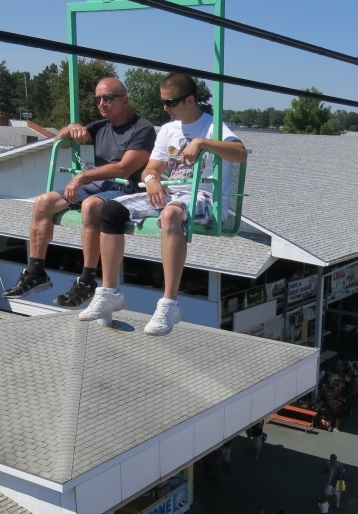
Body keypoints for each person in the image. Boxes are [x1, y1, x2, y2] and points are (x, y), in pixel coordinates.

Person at [88, 73, 248, 335]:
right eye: (163, 103)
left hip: (203, 197)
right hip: (172, 193)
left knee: (171, 215)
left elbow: (240, 153)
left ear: (190, 100)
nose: (165, 108)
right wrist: (151, 180)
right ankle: (109, 292)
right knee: (111, 210)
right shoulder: (167, 130)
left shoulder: (213, 127)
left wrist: (203, 143)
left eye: (170, 103)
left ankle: (169, 303)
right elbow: (151, 168)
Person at [3, 78, 156, 307]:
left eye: (107, 98)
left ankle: (87, 280)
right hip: (99, 185)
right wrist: (71, 127)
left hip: (125, 188)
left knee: (91, 206)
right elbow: (60, 140)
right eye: (98, 99)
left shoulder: (142, 129)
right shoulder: (101, 126)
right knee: (43, 202)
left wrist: (82, 176)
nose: (101, 104)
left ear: (125, 100)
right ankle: (36, 271)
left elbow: (126, 168)